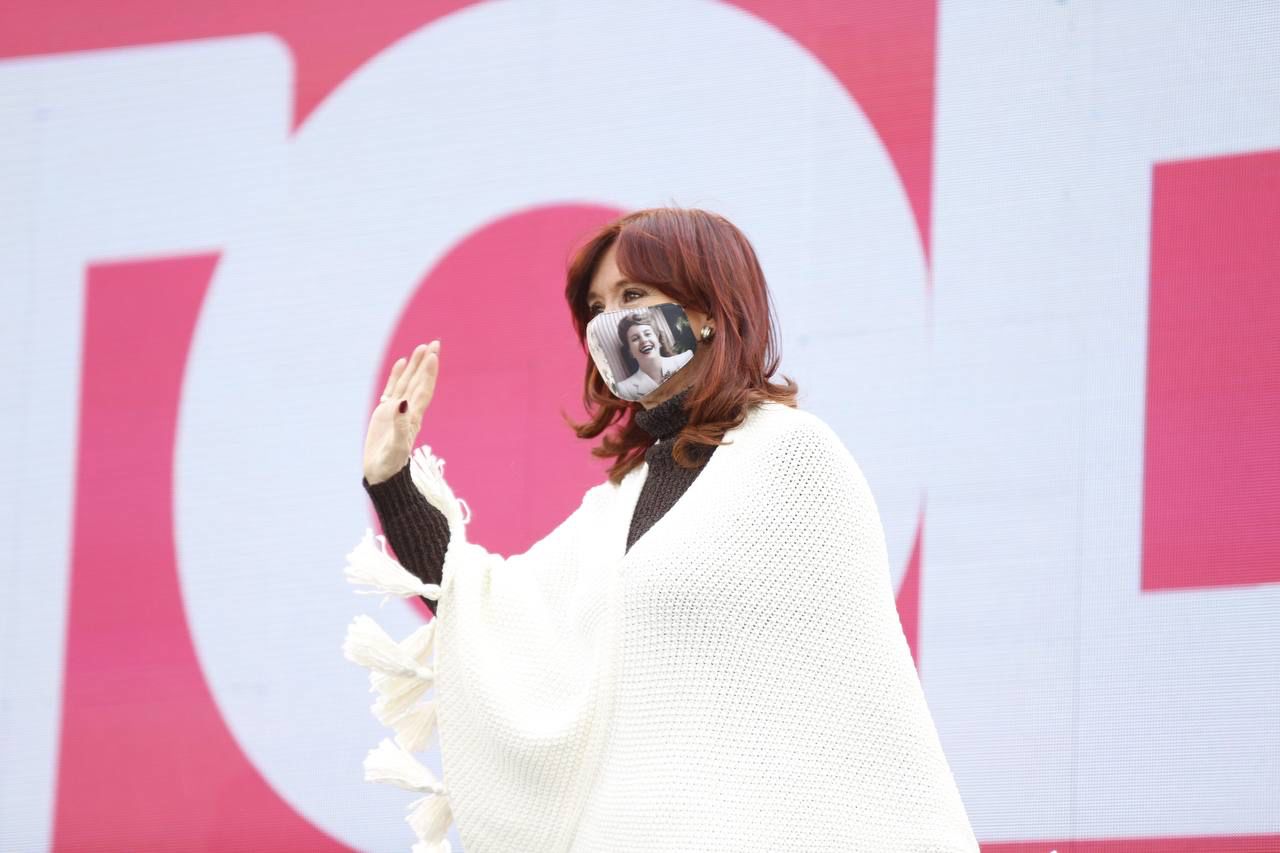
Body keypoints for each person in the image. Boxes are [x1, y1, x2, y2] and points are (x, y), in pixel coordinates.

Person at [354, 207, 980, 852]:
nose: (609, 324)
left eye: (632, 296)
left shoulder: (794, 456)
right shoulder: (619, 503)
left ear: (708, 309)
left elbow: (851, 699)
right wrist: (393, 480)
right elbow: (487, 613)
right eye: (596, 306)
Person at [612, 308, 693, 400]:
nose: (644, 340)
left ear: (658, 340)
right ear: (630, 351)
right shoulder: (624, 389)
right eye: (635, 339)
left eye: (647, 334)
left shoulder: (687, 358)